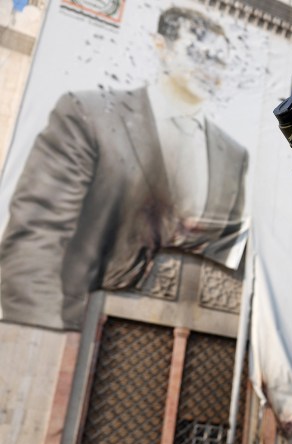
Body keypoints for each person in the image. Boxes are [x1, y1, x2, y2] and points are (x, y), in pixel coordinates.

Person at [0, 7, 248, 330]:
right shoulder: (89, 116)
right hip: (78, 318)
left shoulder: (233, 155)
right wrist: (45, 336)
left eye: (216, 59)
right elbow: (34, 239)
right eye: (196, 53)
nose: (207, 69)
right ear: (162, 48)